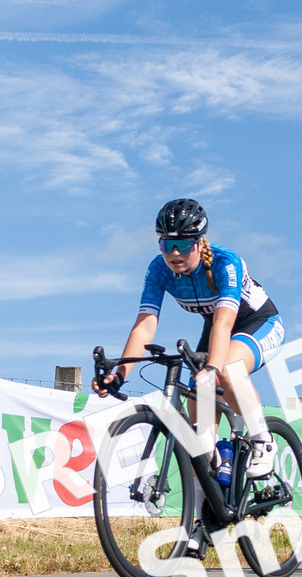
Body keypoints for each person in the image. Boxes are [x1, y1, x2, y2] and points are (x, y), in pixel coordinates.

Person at [93, 198, 285, 477]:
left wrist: (212, 369)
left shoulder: (225, 263)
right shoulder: (159, 270)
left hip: (258, 322)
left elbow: (224, 321)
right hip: (216, 329)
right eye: (165, 244)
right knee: (199, 442)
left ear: (199, 242)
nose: (174, 253)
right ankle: (209, 513)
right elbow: (145, 325)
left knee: (227, 370)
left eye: (183, 245)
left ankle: (262, 441)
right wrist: (121, 373)